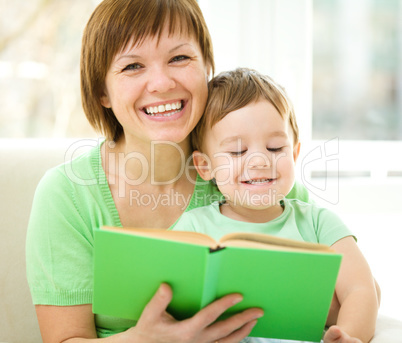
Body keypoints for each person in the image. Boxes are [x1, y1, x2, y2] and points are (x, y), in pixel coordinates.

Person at [25, 1, 312, 342]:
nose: (161, 83)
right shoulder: (67, 195)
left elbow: (344, 290)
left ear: (207, 66)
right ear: (102, 91)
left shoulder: (255, 170)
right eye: (133, 66)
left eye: (179, 58)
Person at [173, 68, 380, 343]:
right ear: (205, 166)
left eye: (274, 148)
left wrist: (347, 336)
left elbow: (361, 289)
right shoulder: (194, 227)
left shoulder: (318, 223)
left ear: (294, 152)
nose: (259, 161)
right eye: (237, 151)